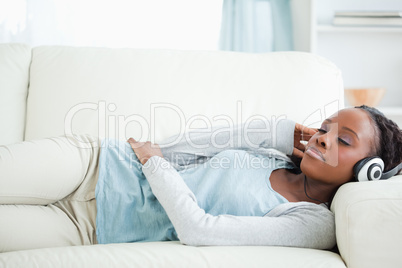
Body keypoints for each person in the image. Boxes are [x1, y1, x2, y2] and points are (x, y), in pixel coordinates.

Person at [0, 105, 401, 252]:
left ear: (368, 172)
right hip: (94, 163)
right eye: (325, 127)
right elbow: (171, 149)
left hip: (92, 228)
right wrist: (272, 129)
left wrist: (155, 165)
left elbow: (199, 229)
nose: (323, 137)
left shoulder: (312, 223)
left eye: (343, 140)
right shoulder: (274, 153)